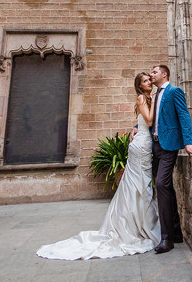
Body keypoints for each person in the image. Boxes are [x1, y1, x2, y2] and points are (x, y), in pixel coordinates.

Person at [36, 73, 160, 260]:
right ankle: (137, 227)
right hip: (141, 146)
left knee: (139, 185)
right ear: (140, 86)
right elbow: (150, 121)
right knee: (138, 185)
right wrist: (157, 107)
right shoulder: (143, 98)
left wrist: (137, 124)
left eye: (150, 80)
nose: (149, 82)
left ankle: (138, 224)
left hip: (143, 144)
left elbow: (142, 122)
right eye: (145, 81)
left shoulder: (149, 98)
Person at [149, 64, 192, 254]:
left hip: (169, 145)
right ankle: (176, 232)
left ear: (164, 74)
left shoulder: (174, 91)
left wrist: (188, 142)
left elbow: (184, 116)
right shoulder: (155, 94)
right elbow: (152, 118)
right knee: (166, 187)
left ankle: (166, 238)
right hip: (155, 146)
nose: (152, 75)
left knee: (161, 184)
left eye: (154, 72)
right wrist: (137, 126)